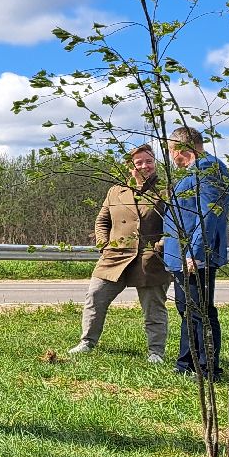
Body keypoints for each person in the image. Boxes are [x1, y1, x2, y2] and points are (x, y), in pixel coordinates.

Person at [68, 144, 169, 363]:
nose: (144, 166)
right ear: (130, 166)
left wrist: (160, 247)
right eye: (139, 162)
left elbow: (175, 226)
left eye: (149, 161)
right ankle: (87, 342)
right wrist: (104, 243)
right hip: (114, 256)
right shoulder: (116, 190)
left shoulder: (166, 190)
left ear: (155, 163)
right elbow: (102, 220)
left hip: (149, 258)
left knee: (154, 307)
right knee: (95, 297)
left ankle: (156, 352)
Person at [162, 126, 229, 379]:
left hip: (195, 256)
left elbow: (208, 215)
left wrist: (195, 253)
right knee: (187, 309)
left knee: (201, 311)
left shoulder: (208, 170)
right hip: (181, 255)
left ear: (180, 149)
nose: (171, 157)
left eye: (170, 151)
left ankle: (208, 369)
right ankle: (186, 364)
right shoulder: (194, 172)